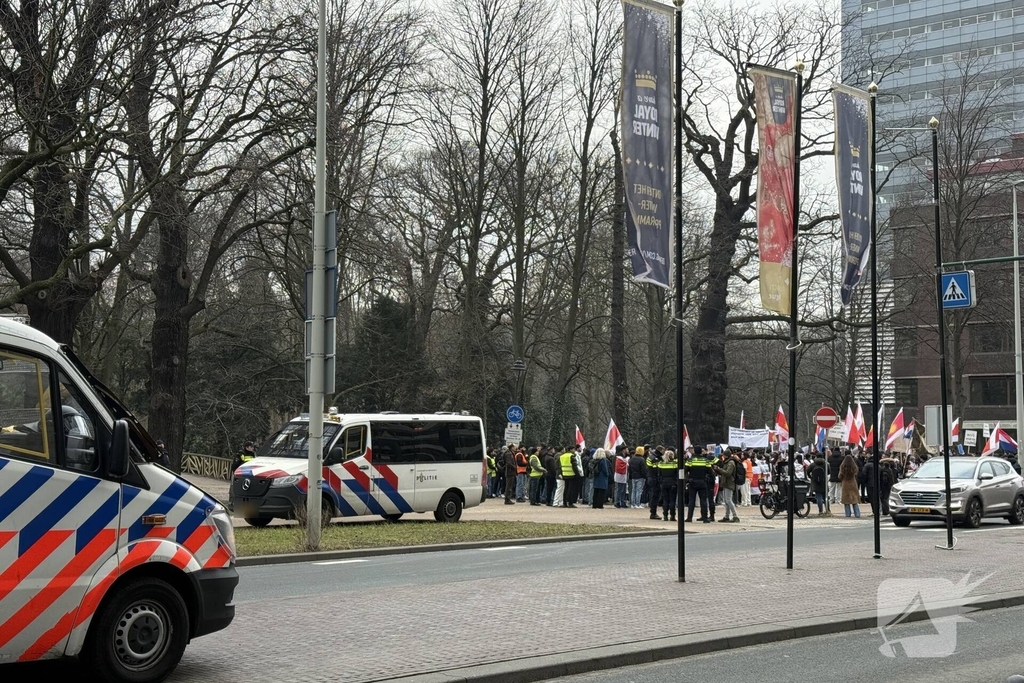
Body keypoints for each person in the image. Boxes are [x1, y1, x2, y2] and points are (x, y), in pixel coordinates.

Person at [684, 446, 713, 523]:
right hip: (702, 482)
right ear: (701, 452)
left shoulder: (690, 460)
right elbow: (710, 472)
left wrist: (686, 480)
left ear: (694, 451)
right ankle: (705, 518)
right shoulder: (706, 461)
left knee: (691, 500)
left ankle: (689, 517)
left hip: (692, 482)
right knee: (703, 500)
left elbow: (685, 470)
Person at [713, 451, 739, 522]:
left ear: (726, 455)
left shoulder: (731, 463)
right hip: (726, 483)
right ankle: (727, 516)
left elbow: (728, 473)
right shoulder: (727, 462)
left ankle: (735, 516)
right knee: (726, 501)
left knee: (728, 500)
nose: (723, 456)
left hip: (729, 483)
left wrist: (719, 469)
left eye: (724, 455)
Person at [658, 450, 679, 521]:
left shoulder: (661, 463)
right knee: (672, 500)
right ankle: (672, 516)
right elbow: (677, 474)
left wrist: (661, 482)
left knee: (665, 500)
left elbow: (659, 474)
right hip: (672, 483)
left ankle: (665, 515)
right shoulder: (675, 463)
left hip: (664, 483)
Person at [839, 454, 861, 518]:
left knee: (846, 500)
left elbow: (840, 476)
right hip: (853, 483)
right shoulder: (854, 466)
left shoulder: (842, 466)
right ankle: (857, 514)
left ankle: (848, 514)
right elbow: (856, 472)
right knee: (854, 500)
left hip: (845, 483)